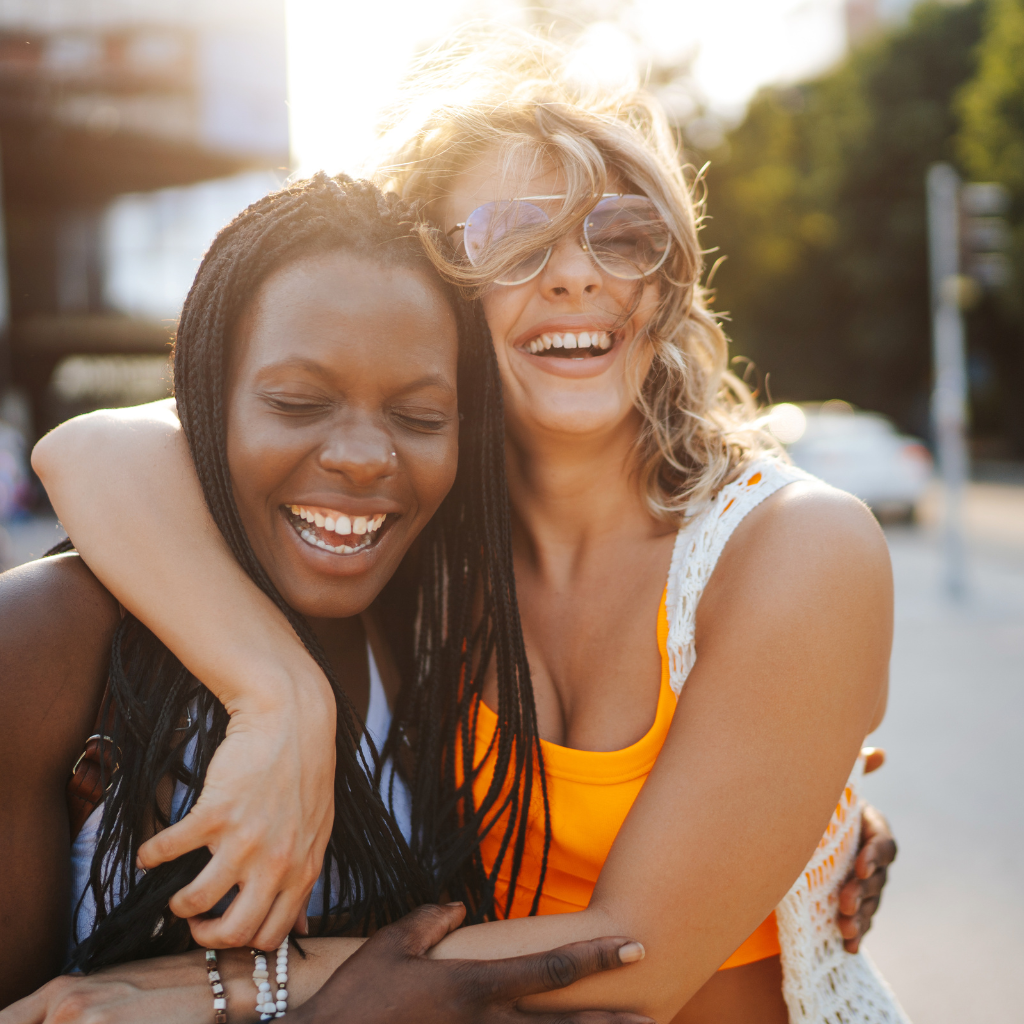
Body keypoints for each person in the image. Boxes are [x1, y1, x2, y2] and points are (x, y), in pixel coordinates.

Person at [31, 33, 902, 1023]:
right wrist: (276, 695)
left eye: (623, 233)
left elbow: (636, 957)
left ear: (667, 278)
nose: (576, 274)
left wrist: (216, 988)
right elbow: (93, 449)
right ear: (440, 293)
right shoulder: (422, 535)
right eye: (512, 237)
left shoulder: (795, 544)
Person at [0, 175, 653, 1024]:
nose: (360, 456)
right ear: (203, 399)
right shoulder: (48, 639)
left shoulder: (444, 637)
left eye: (421, 416)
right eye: (297, 403)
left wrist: (820, 844)